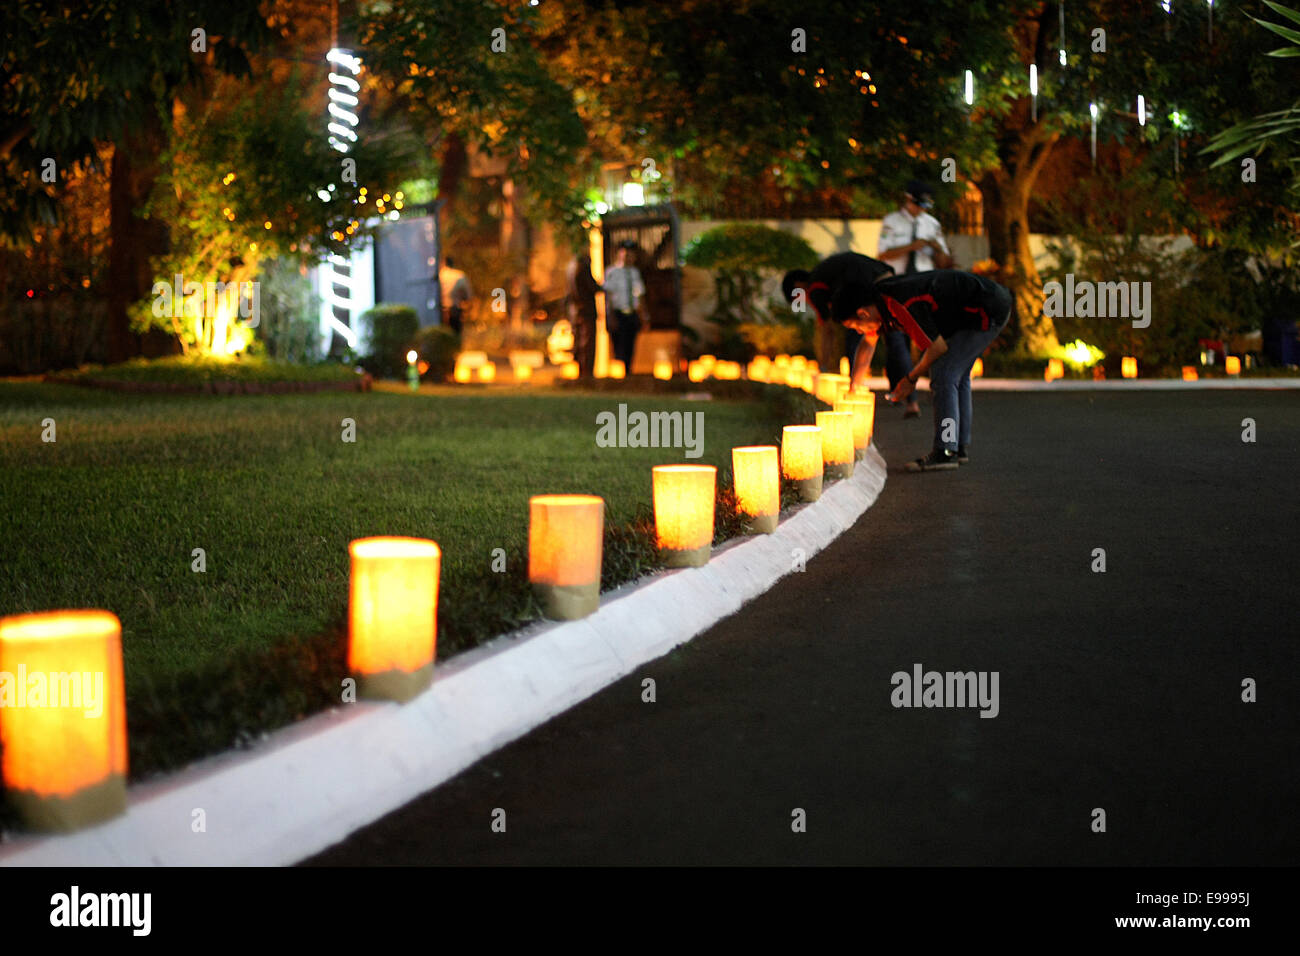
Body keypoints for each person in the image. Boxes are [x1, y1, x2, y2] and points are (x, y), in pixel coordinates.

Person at [833, 269, 1012, 472]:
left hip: (986, 309)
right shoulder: (881, 298)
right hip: (978, 307)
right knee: (955, 376)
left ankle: (946, 451)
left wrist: (910, 379)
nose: (859, 331)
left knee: (944, 375)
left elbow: (937, 348)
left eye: (856, 326)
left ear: (863, 313)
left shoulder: (900, 304)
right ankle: (957, 447)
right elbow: (868, 343)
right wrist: (854, 386)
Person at [875, 180, 954, 418]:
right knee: (896, 343)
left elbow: (945, 260)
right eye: (918, 204)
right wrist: (911, 246)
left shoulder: (932, 224)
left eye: (925, 205)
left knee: (927, 341)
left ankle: (918, 393)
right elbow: (883, 253)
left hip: (923, 285)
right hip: (897, 284)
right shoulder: (891, 221)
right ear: (908, 199)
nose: (922, 210)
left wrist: (935, 248)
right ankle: (909, 397)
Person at [781, 252, 894, 366]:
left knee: (854, 331)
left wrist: (823, 366)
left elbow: (827, 330)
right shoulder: (822, 274)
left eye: (797, 298)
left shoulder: (815, 289)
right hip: (884, 274)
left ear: (798, 286)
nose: (802, 302)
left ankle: (855, 379)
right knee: (893, 333)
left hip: (872, 284)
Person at [604, 240, 646, 369]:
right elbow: (608, 295)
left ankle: (628, 370)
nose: (628, 257)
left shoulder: (634, 272)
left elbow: (639, 294)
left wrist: (643, 313)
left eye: (631, 254)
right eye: (626, 254)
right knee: (619, 344)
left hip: (631, 312)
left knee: (630, 342)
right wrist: (609, 315)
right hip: (618, 313)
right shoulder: (612, 272)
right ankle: (621, 369)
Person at [567, 252, 601, 378]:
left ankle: (581, 372)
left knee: (579, 343)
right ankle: (586, 375)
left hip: (575, 312)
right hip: (585, 311)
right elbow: (591, 286)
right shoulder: (582, 267)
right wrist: (602, 287)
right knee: (587, 344)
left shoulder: (570, 266)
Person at [438, 256, 472, 336]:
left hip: (439, 311)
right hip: (454, 310)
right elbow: (468, 295)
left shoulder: (439, 275)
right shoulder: (460, 275)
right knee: (455, 335)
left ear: (443, 263)